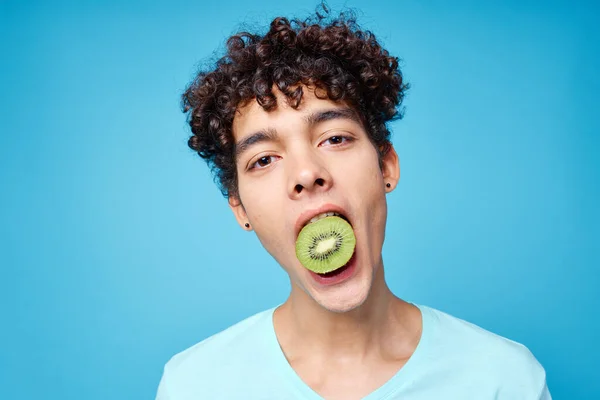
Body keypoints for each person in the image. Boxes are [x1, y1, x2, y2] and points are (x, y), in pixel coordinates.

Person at [156, 6, 551, 400]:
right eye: (263, 159)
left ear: (386, 166)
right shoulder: (194, 385)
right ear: (240, 209)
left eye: (335, 138)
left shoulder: (503, 379)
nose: (306, 173)